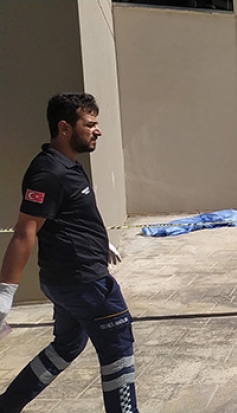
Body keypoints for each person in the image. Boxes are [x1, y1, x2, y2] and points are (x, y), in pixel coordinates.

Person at [0, 93, 139, 413]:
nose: (97, 130)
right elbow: (24, 231)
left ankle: (7, 405)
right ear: (64, 128)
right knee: (118, 350)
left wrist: (99, 242)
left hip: (67, 280)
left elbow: (68, 216)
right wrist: (5, 293)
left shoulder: (68, 165)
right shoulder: (48, 173)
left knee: (67, 345)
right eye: (89, 124)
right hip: (85, 283)